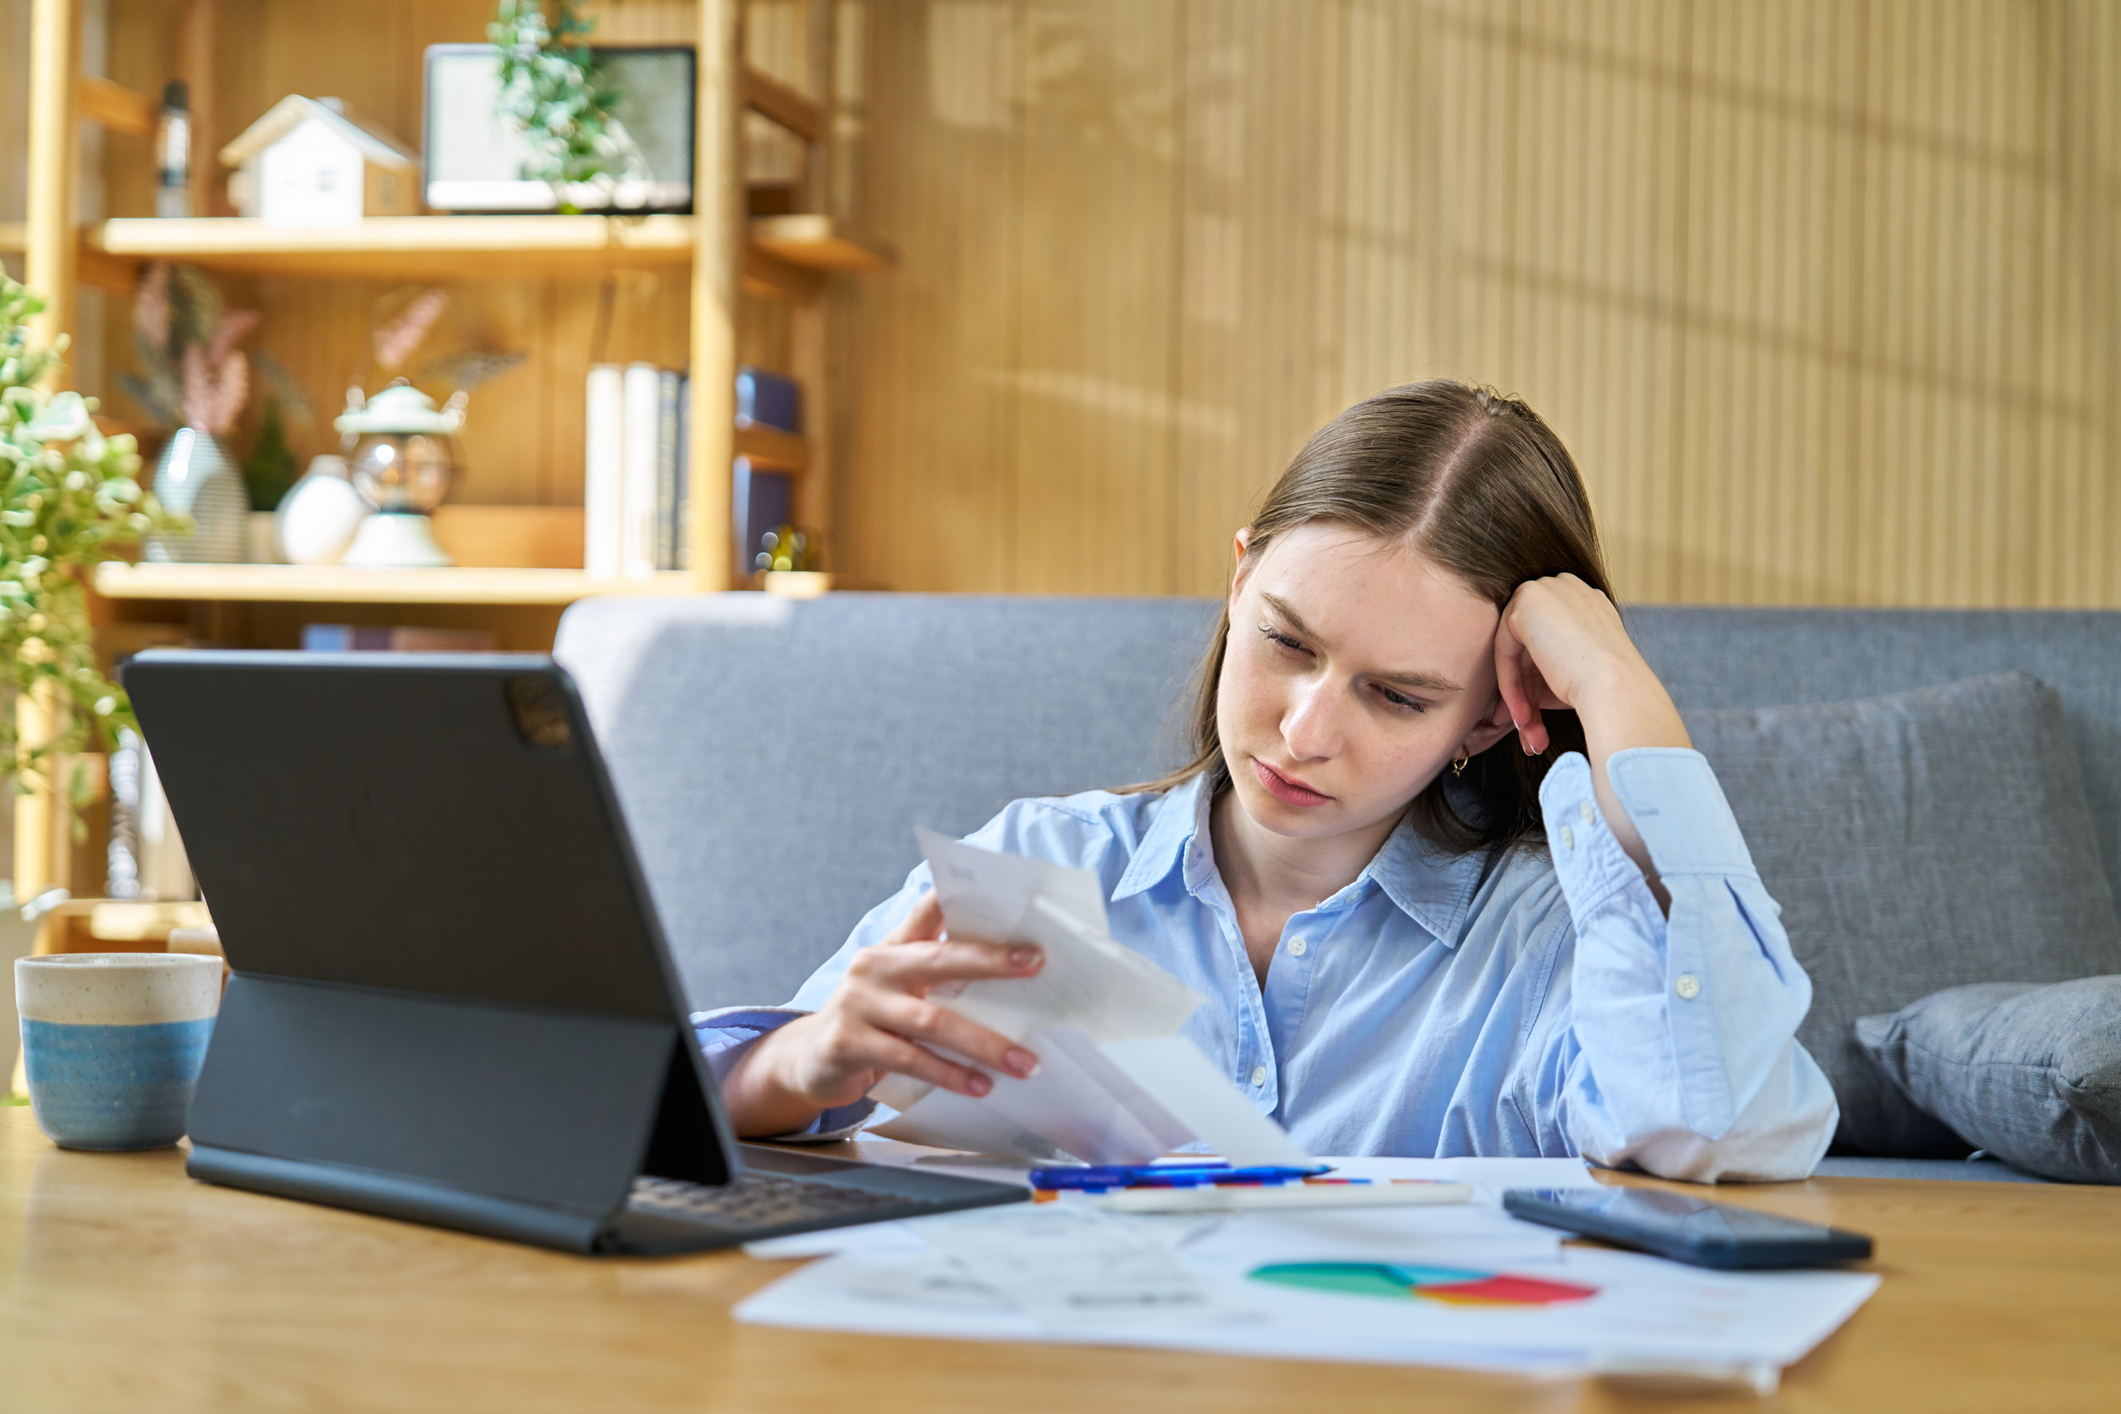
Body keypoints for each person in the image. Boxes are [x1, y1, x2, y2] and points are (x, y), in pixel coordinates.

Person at [703, 380, 1838, 1182]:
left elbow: (1721, 1125)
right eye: (1288, 643)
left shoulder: (1551, 948)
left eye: (1396, 696)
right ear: (1239, 581)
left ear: (1492, 712)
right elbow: (697, 1107)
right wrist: (792, 1063)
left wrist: (1618, 686)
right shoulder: (1042, 866)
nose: (1303, 729)